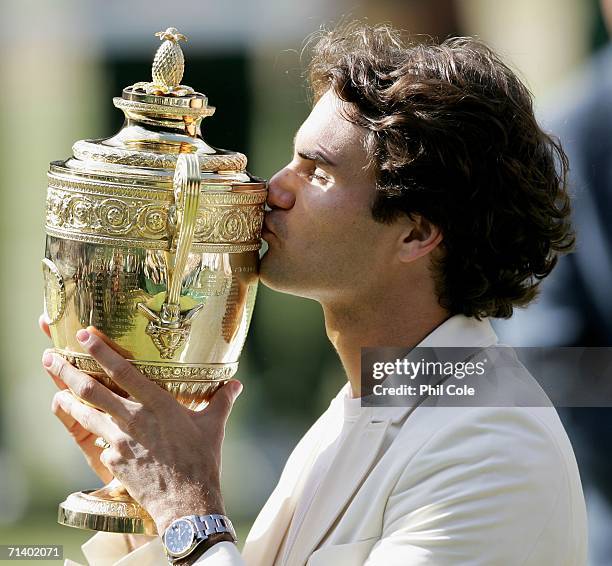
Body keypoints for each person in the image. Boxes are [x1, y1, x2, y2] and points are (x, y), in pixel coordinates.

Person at [41, 22, 587, 565]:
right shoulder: (369, 404)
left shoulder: (493, 449)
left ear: (416, 233)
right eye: (292, 159)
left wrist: (190, 509)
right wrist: (147, 500)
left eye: (317, 172)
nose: (273, 188)